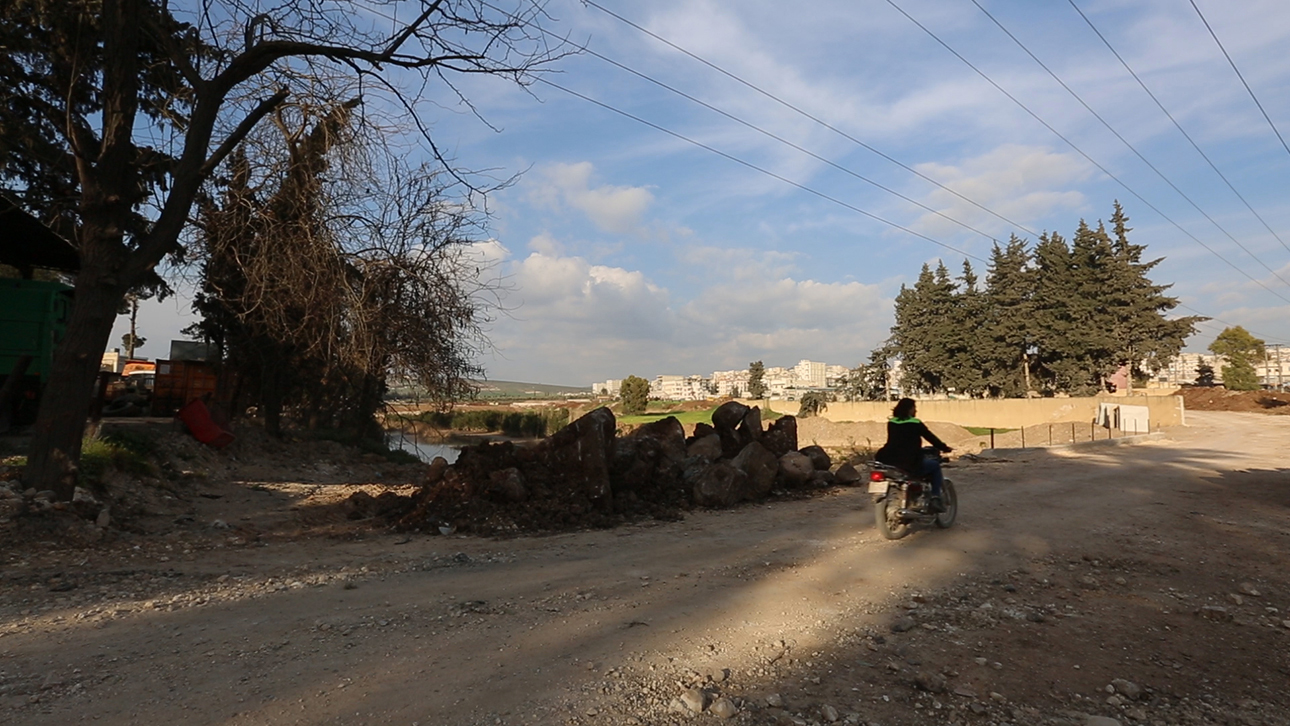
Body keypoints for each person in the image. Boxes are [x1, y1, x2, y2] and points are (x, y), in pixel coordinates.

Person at [875, 398, 953, 513]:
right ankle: (935, 497)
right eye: (914, 408)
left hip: (888, 459)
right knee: (935, 466)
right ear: (909, 409)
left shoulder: (892, 423)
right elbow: (931, 438)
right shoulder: (916, 423)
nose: (915, 410)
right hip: (910, 461)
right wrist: (944, 448)